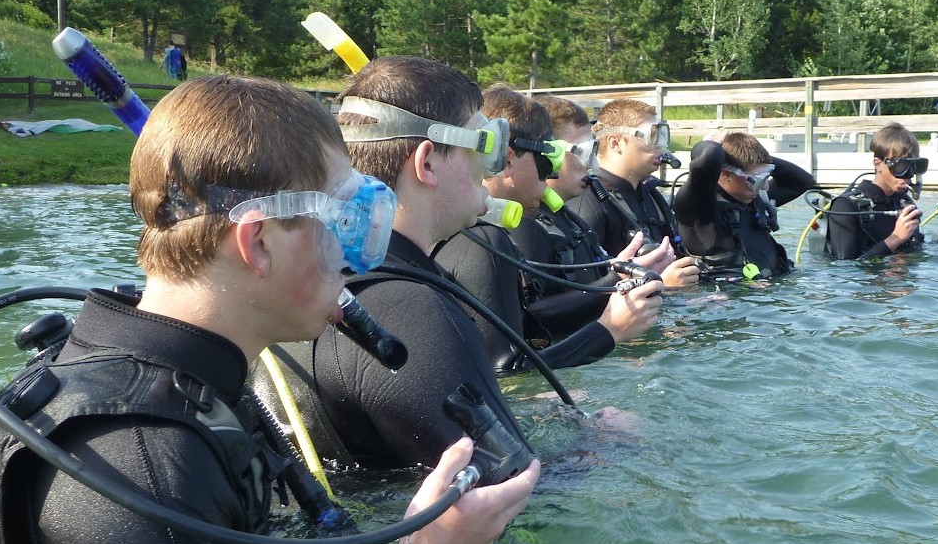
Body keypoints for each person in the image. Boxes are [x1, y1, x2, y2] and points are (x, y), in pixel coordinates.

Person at [0, 74, 538, 544]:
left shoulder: (196, 385)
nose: (359, 256)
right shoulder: (135, 462)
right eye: (344, 222)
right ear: (256, 240)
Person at [257, 57, 557, 471]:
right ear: (427, 162)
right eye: (483, 145)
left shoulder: (302, 279)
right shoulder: (413, 311)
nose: (492, 168)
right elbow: (515, 490)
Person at [433, 85, 665, 374]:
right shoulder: (481, 239)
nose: (552, 174)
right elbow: (507, 372)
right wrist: (610, 330)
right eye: (548, 158)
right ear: (506, 160)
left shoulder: (462, 233)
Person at [673, 131, 816, 279]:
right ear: (725, 174)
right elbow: (709, 153)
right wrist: (719, 147)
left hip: (767, 294)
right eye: (756, 180)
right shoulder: (698, 207)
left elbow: (803, 181)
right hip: (725, 299)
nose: (765, 187)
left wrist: (758, 157)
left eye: (766, 176)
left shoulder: (753, 199)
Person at [569, 98, 686, 261]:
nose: (660, 146)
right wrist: (665, 282)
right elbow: (586, 281)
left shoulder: (651, 195)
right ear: (615, 143)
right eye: (652, 136)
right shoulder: (589, 201)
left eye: (662, 136)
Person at [824, 123, 925, 260]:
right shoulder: (845, 206)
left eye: (914, 167)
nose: (909, 175)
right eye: (901, 167)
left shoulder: (905, 203)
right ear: (878, 164)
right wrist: (895, 239)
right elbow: (843, 269)